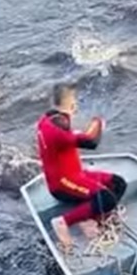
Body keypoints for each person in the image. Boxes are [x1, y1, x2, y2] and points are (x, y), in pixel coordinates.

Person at [36, 83, 127, 250]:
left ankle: (92, 218)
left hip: (77, 174)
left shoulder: (49, 119)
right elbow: (91, 141)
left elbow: (70, 139)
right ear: (72, 105)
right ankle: (63, 222)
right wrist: (98, 123)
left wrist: (79, 133)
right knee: (106, 198)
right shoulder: (56, 128)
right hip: (63, 183)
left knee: (118, 183)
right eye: (75, 101)